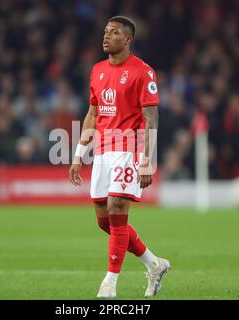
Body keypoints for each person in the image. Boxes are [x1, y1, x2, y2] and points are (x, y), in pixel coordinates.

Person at [69, 16, 170, 299]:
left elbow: (152, 116)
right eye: (105, 32)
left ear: (127, 40)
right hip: (103, 150)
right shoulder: (97, 70)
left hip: (131, 148)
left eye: (113, 33)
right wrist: (79, 153)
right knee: (105, 222)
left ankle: (109, 285)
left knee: (116, 209)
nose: (106, 36)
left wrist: (148, 160)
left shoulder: (142, 72)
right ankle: (154, 264)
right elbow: (92, 114)